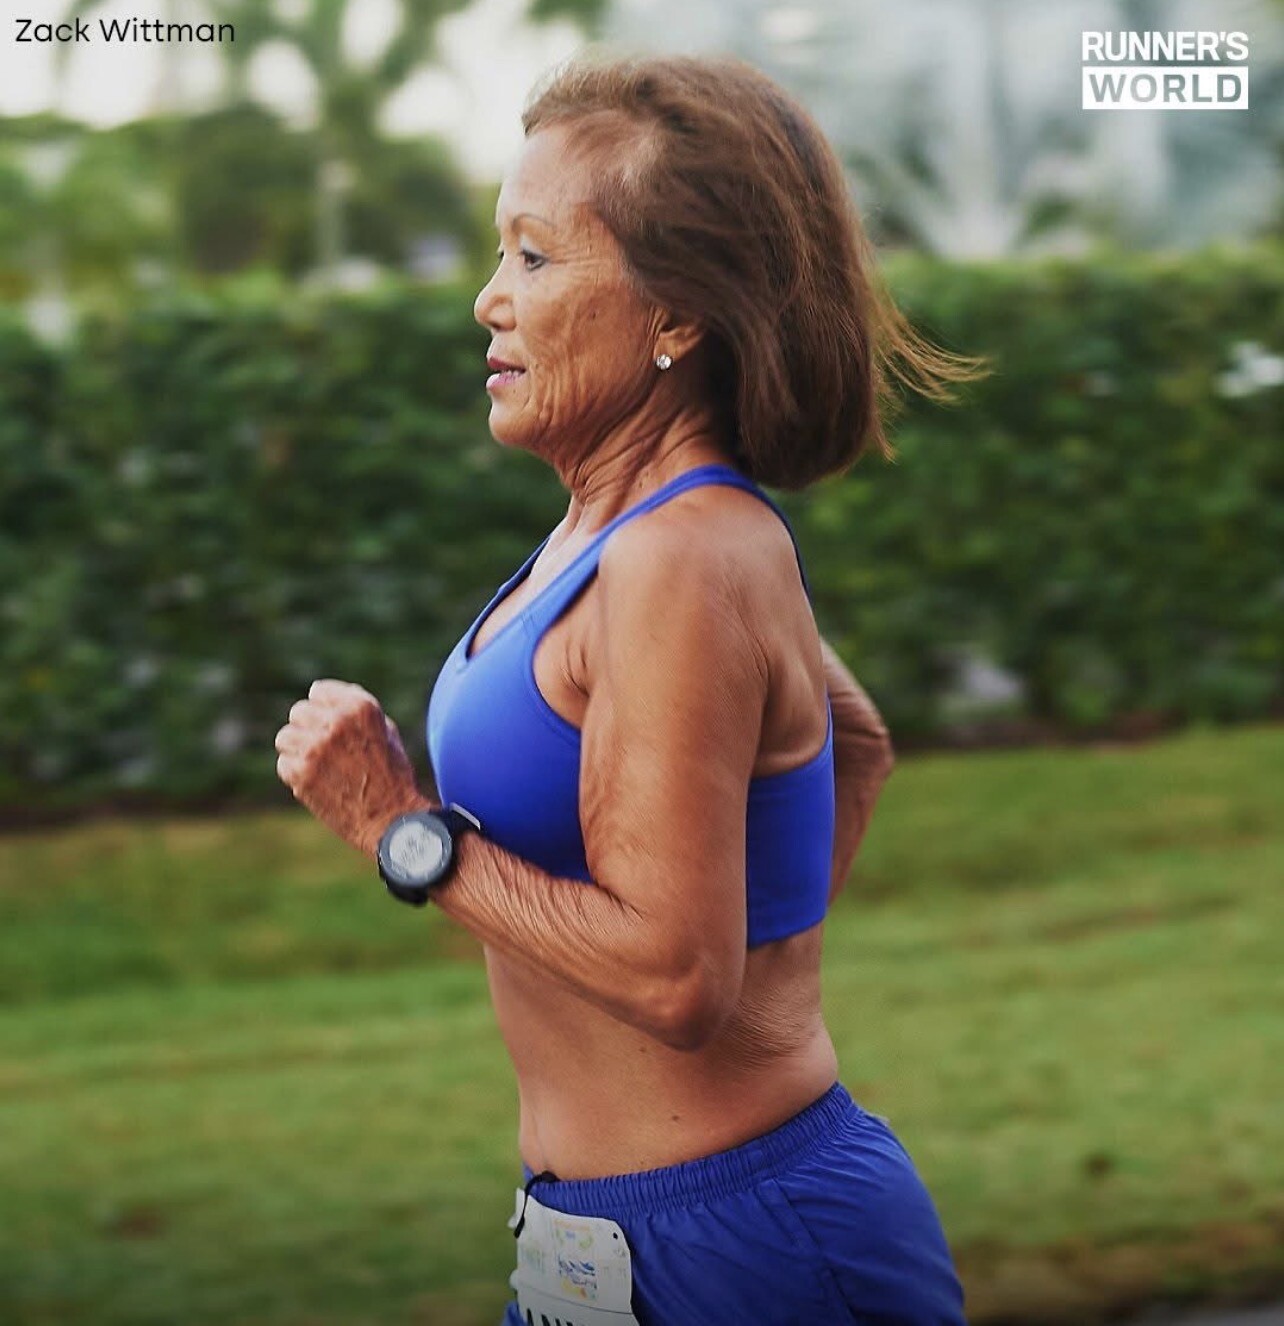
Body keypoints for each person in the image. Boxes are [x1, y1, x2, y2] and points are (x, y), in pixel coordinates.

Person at [275, 51, 984, 1326]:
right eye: (500, 254)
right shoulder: (621, 534)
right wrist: (768, 967)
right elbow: (856, 741)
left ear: (677, 315)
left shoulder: (679, 556)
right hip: (604, 1246)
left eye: (536, 257)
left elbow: (673, 981)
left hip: (750, 1248)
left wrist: (397, 829)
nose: (490, 300)